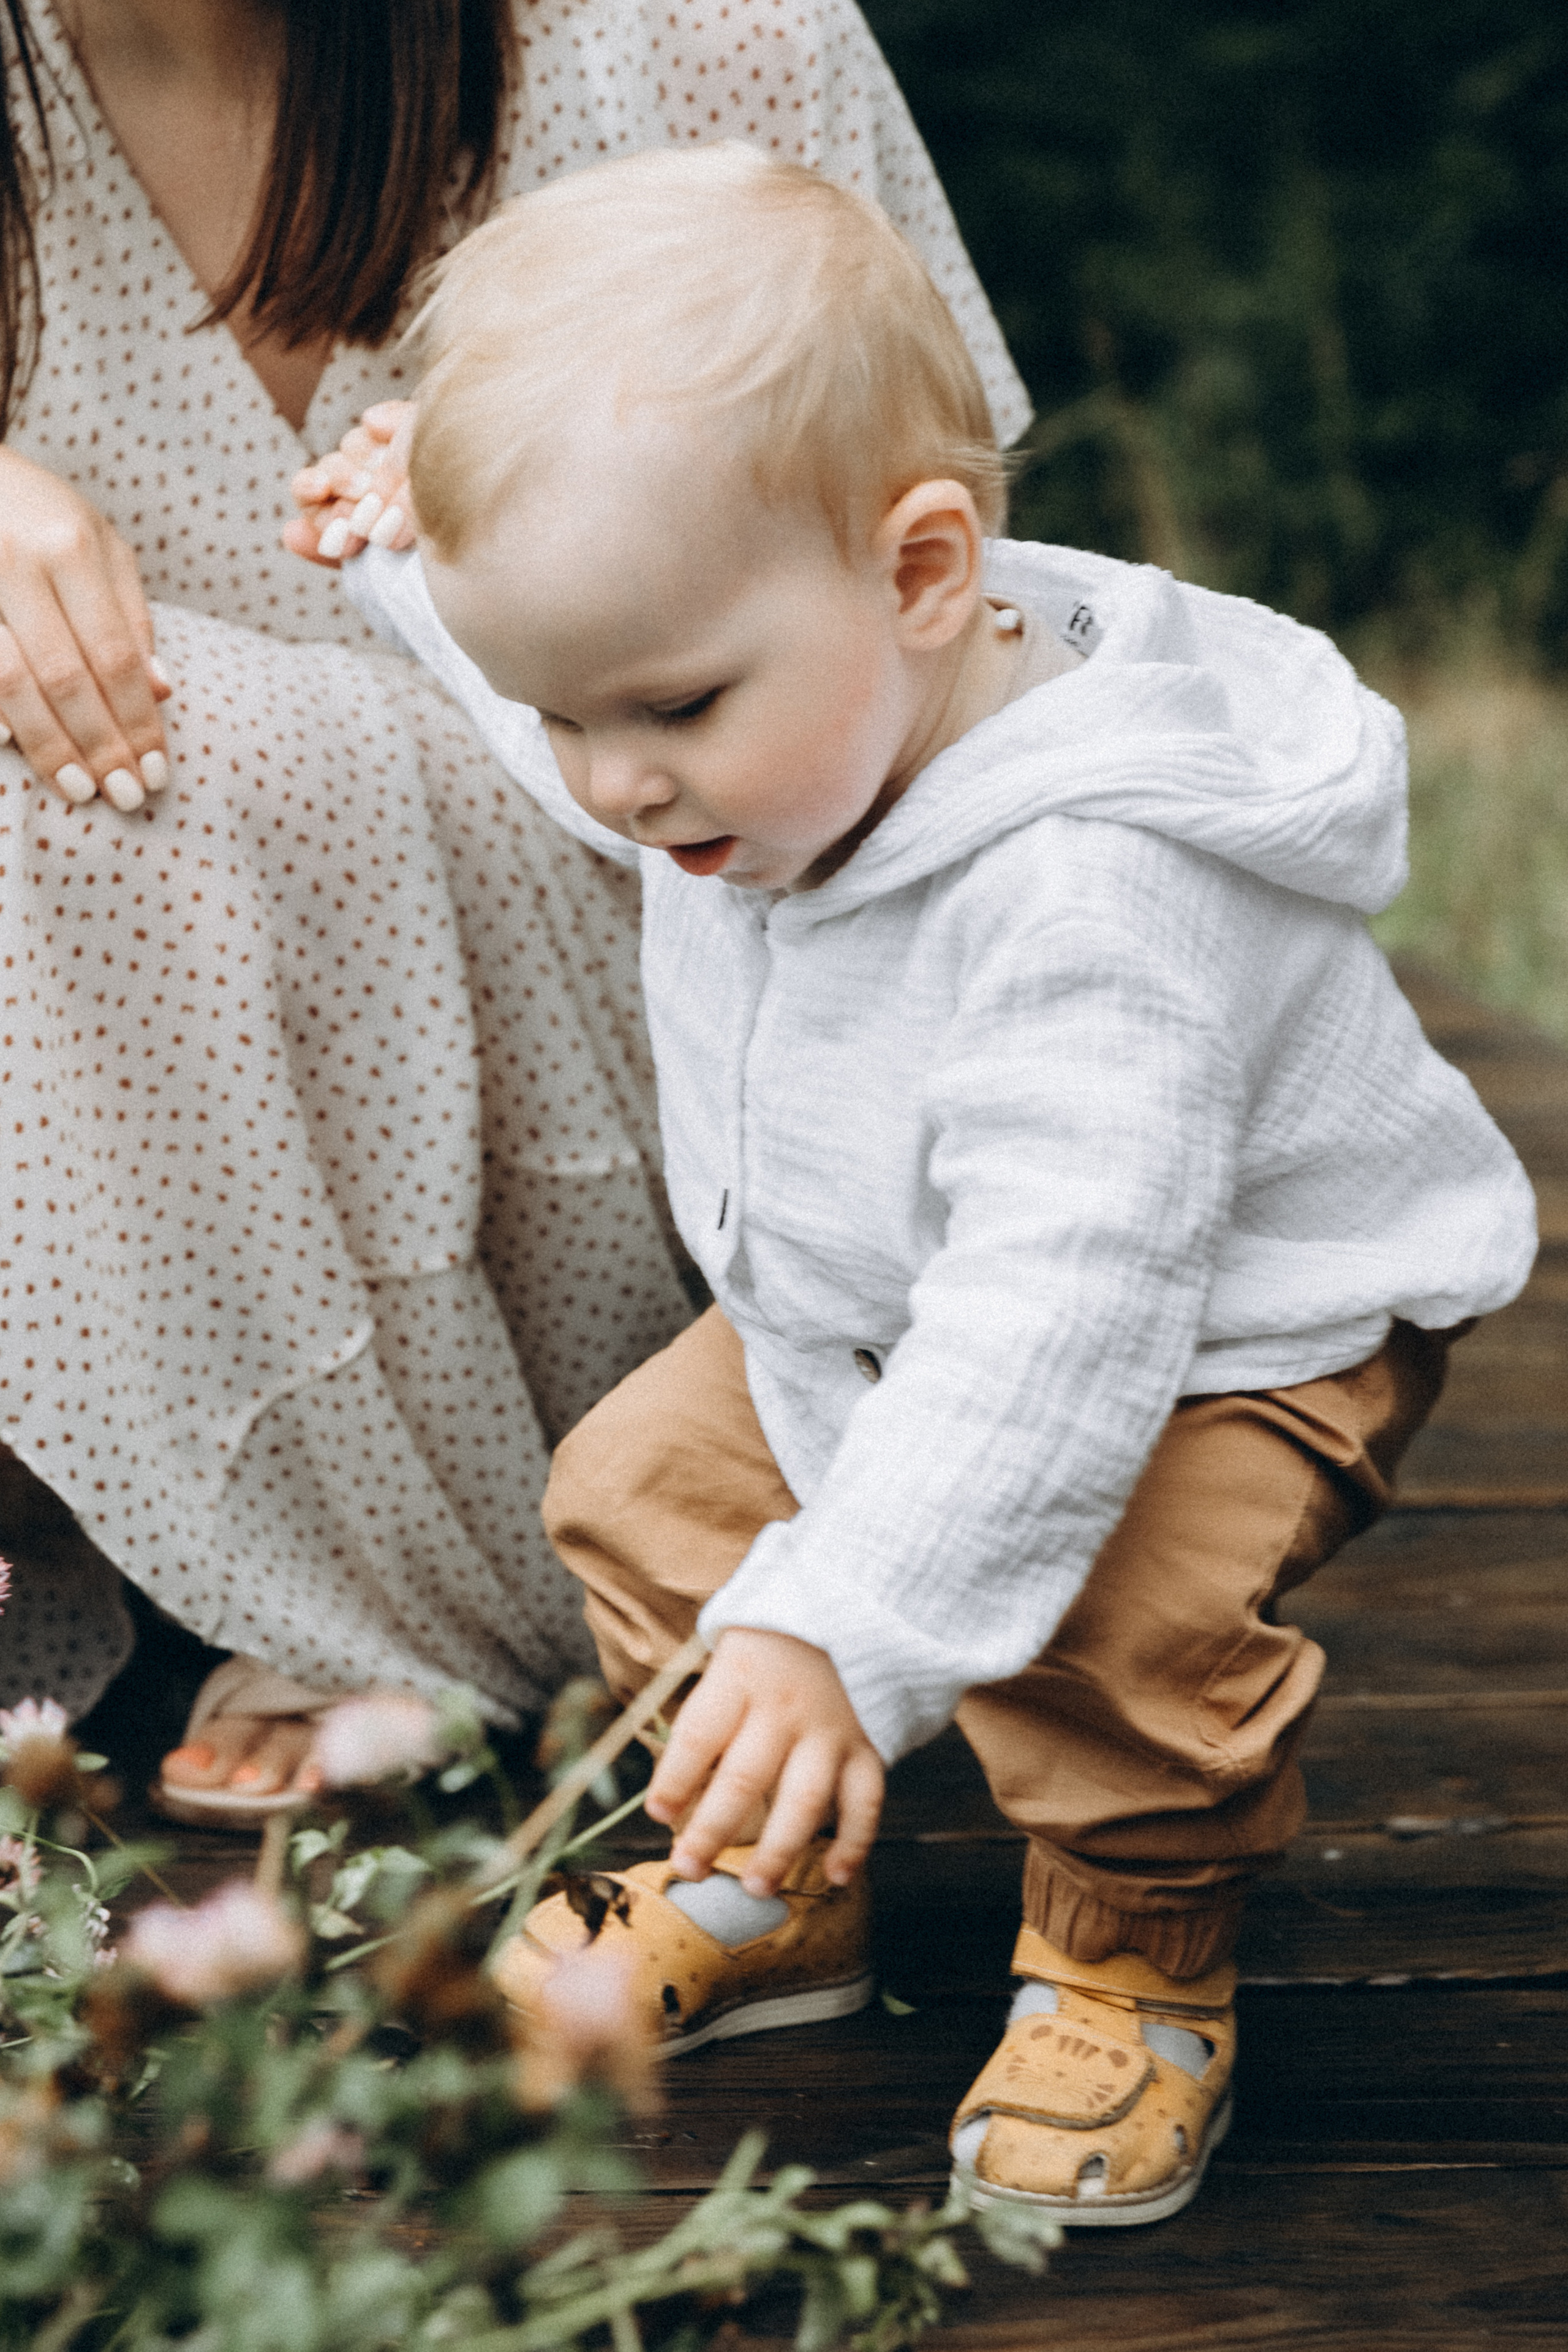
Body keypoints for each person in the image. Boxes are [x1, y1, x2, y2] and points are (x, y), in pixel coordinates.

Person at [336, 143, 1537, 2225]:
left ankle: (1135, 1949)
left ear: (920, 572)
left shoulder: (1094, 889)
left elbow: (1063, 1314)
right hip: (876, 1299)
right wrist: (400, 559)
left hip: (1226, 1326)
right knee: (649, 1494)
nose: (614, 784)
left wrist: (856, 1619)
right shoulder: (751, 706)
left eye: (669, 711)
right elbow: (570, 682)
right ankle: (767, 1875)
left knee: (1114, 1617)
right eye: (566, 710)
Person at [0, 0, 1029, 1817]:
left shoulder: (706, 43)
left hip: (678, 1041)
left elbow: (957, 636)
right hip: (100, 1157)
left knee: (125, 757)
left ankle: (413, 1590)